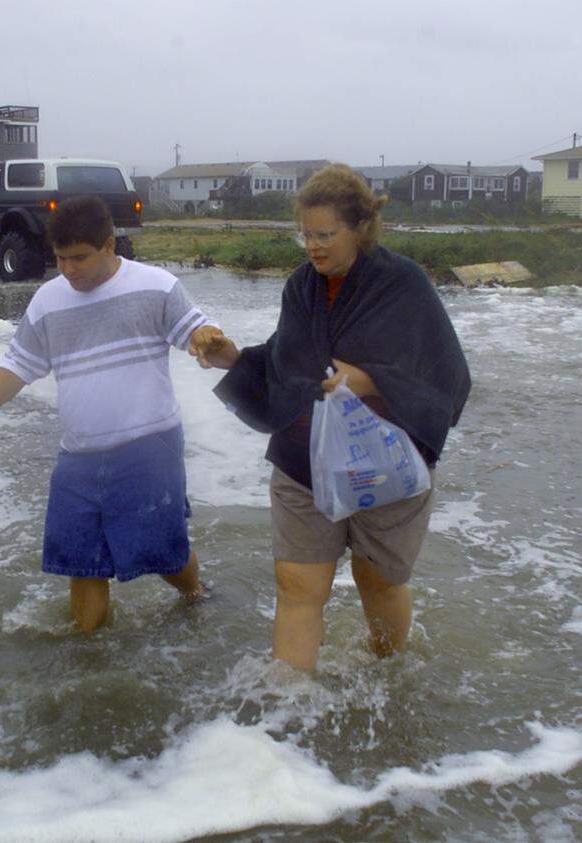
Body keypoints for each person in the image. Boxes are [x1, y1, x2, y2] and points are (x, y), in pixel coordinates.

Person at [199, 164, 471, 671]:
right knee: (296, 586)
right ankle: (287, 713)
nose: (314, 247)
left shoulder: (403, 285)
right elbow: (287, 361)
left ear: (360, 228)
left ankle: (391, 681)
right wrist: (236, 359)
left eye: (325, 234)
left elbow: (445, 375)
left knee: (379, 584)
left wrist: (371, 382)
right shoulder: (301, 287)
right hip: (304, 462)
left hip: (384, 463)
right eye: (306, 235)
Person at [0, 195, 225, 632]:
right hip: (78, 455)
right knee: (82, 561)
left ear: (109, 246)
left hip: (150, 447)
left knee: (164, 554)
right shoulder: (48, 301)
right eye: (60, 258)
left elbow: (196, 332)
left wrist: (206, 338)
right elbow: (19, 365)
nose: (68, 269)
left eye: (79, 258)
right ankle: (87, 653)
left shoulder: (156, 286)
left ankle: (195, 594)